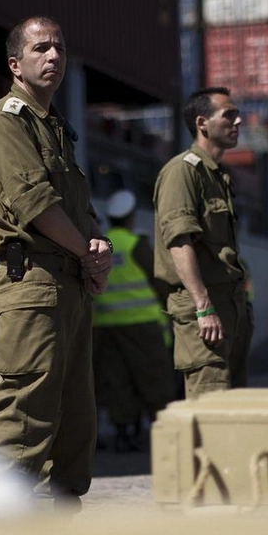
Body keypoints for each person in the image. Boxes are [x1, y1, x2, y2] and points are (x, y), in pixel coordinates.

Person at [0, 16, 113, 509]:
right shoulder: (5, 123)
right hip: (33, 285)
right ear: (16, 64)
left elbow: (79, 209)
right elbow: (35, 205)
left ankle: (60, 529)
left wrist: (99, 251)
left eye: (60, 48)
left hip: (69, 283)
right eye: (41, 49)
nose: (54, 57)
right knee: (25, 419)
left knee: (75, 422)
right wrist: (84, 251)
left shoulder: (54, 128)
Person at [153, 87, 253, 398]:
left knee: (234, 404)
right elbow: (179, 242)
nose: (238, 122)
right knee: (211, 403)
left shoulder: (217, 176)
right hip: (206, 308)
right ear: (202, 123)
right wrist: (203, 306)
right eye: (229, 115)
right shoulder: (182, 172)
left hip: (231, 306)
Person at [92, 190, 174, 452]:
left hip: (105, 326)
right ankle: (162, 432)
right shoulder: (136, 244)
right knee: (154, 378)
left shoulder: (100, 245)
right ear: (129, 217)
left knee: (117, 379)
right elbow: (158, 280)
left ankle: (123, 432)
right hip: (142, 326)